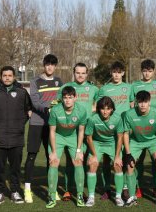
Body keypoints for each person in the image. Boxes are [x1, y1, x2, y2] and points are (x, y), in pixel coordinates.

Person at [0, 66, 32, 204]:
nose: (7, 78)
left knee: (15, 168)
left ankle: (15, 192)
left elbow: (28, 109)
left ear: (14, 77)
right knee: (0, 168)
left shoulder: (22, 92)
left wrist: (20, 124)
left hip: (16, 137)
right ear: (1, 77)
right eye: (4, 75)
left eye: (10, 75)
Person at [23, 54, 62, 203]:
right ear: (44, 65)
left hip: (52, 125)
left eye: (52, 64)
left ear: (55, 66)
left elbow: (62, 99)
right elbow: (35, 101)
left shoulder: (59, 81)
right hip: (37, 123)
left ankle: (52, 190)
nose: (50, 67)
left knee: (51, 157)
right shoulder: (35, 81)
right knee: (31, 155)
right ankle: (27, 189)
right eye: (47, 64)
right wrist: (47, 109)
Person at [57, 62, 99, 201]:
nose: (80, 75)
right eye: (77, 73)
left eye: (83, 73)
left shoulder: (93, 89)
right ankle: (68, 190)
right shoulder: (65, 87)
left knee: (86, 160)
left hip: (88, 129)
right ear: (73, 73)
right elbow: (58, 106)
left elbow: (98, 105)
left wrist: (91, 111)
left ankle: (82, 189)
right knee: (71, 161)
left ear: (87, 74)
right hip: (70, 130)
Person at [45, 86, 87, 208]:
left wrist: (79, 150)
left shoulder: (81, 111)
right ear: (62, 99)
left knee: (78, 161)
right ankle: (52, 196)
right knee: (53, 161)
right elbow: (52, 131)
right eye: (65, 97)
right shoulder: (55, 110)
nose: (67, 100)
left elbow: (81, 131)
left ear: (75, 98)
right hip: (58, 136)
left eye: (70, 97)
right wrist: (53, 151)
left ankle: (79, 195)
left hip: (73, 137)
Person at [123, 91, 156, 207]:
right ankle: (132, 197)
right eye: (140, 102)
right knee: (129, 165)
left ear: (149, 102)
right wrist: (128, 154)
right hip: (136, 141)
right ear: (136, 102)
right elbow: (126, 134)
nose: (142, 105)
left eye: (145, 102)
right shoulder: (129, 114)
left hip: (152, 141)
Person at [85, 97, 124, 207]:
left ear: (112, 109)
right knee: (93, 164)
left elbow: (120, 137)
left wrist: (117, 156)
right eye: (102, 108)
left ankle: (118, 196)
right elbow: (89, 138)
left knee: (117, 165)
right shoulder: (93, 119)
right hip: (97, 143)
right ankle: (91, 197)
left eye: (108, 108)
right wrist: (93, 155)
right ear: (98, 109)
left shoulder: (117, 119)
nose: (105, 111)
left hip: (112, 143)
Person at [130, 59, 156, 198]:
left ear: (153, 71)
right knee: (138, 161)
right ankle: (138, 187)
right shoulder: (135, 85)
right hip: (139, 126)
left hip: (154, 126)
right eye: (144, 71)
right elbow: (131, 104)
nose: (147, 74)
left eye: (150, 71)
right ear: (141, 71)